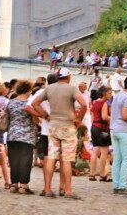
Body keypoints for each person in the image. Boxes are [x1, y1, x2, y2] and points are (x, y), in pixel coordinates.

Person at [29, 66, 87, 198]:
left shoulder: (49, 88)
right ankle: (67, 191)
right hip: (68, 126)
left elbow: (35, 103)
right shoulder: (72, 89)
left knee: (51, 158)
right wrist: (79, 119)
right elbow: (83, 104)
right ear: (69, 77)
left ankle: (48, 189)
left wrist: (44, 115)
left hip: (53, 125)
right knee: (66, 159)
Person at [4, 80, 37, 194]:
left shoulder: (11, 102)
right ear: (28, 90)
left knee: (14, 160)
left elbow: (7, 118)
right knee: (25, 160)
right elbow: (34, 119)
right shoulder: (29, 103)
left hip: (12, 134)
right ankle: (23, 185)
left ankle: (14, 184)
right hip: (27, 135)